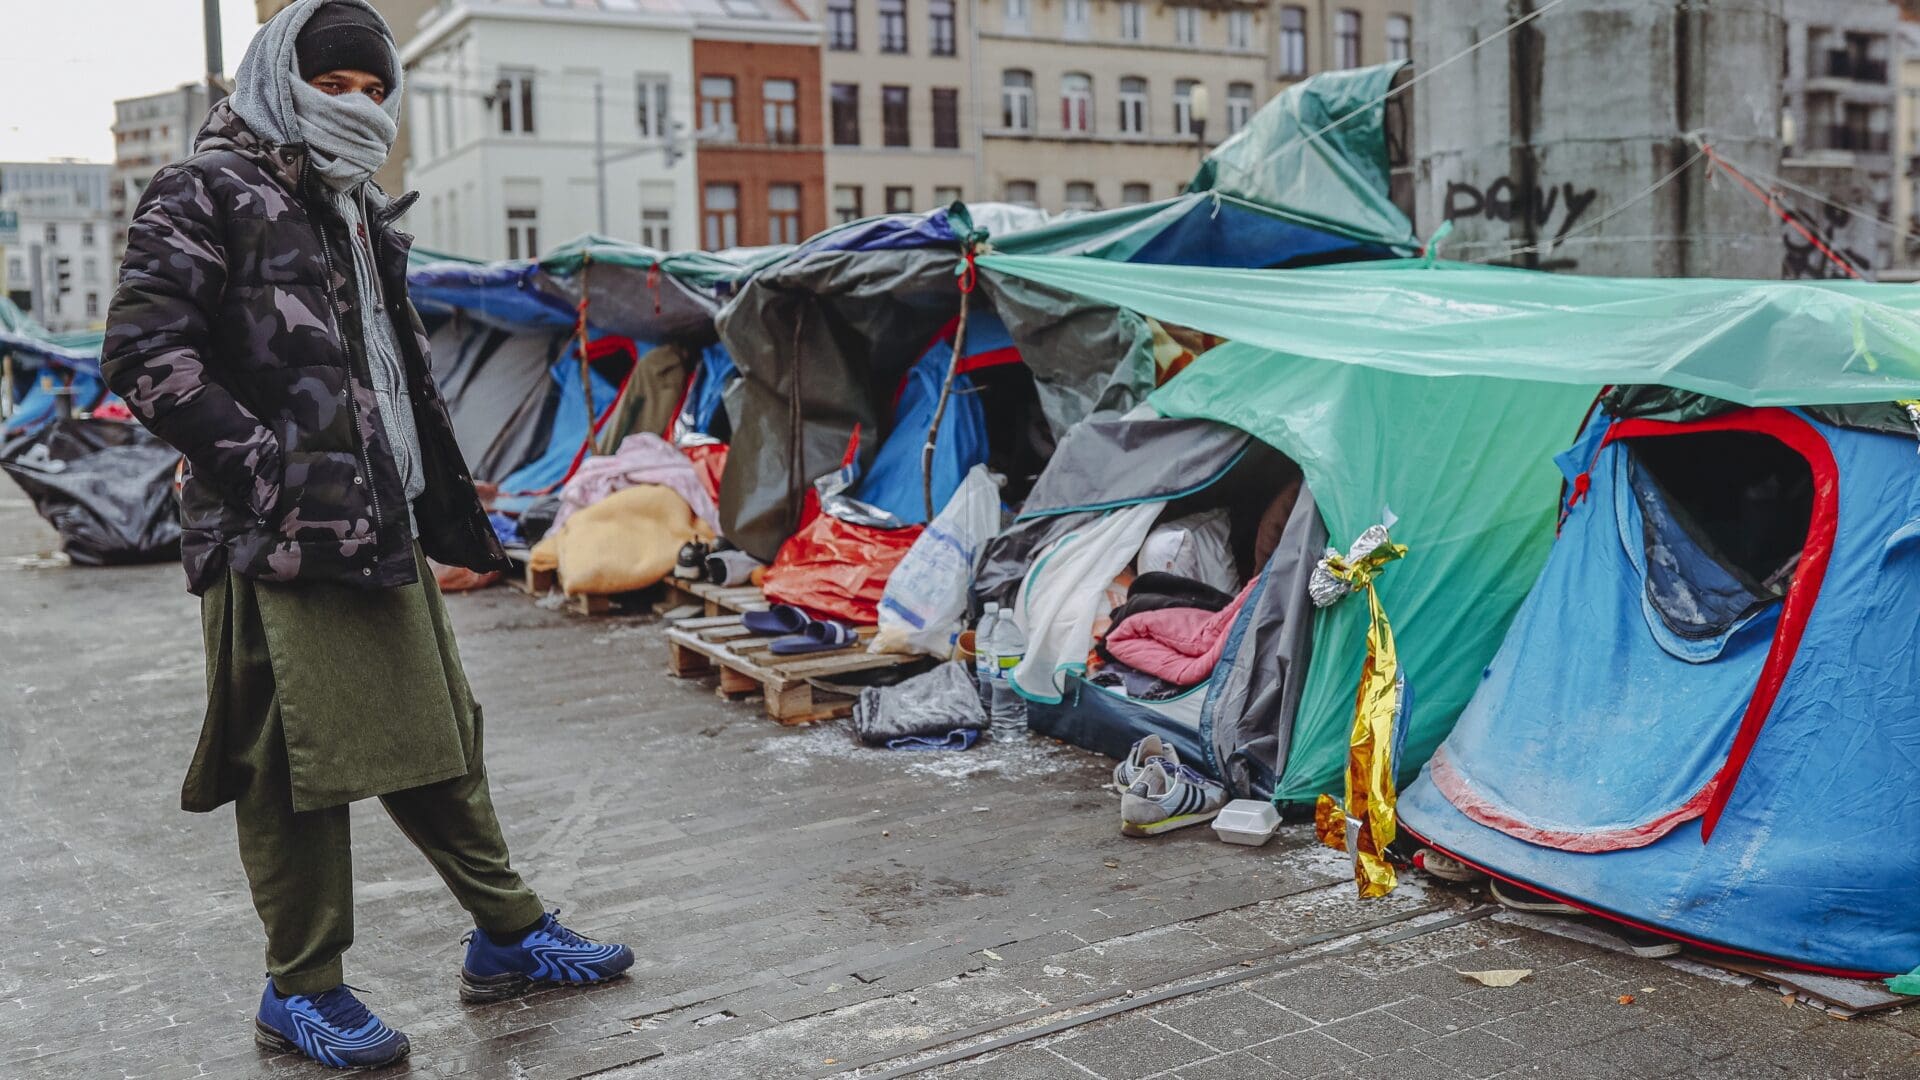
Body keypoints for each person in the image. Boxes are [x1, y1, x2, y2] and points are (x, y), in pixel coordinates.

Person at [101, 1, 632, 1069]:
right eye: (331, 86)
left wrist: (432, 495)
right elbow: (145, 354)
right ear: (275, 79)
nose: (354, 108)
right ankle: (299, 989)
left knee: (437, 731)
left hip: (375, 518)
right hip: (274, 537)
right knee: (294, 762)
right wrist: (269, 471)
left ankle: (509, 932)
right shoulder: (207, 189)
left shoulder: (350, 206)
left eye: (372, 92)